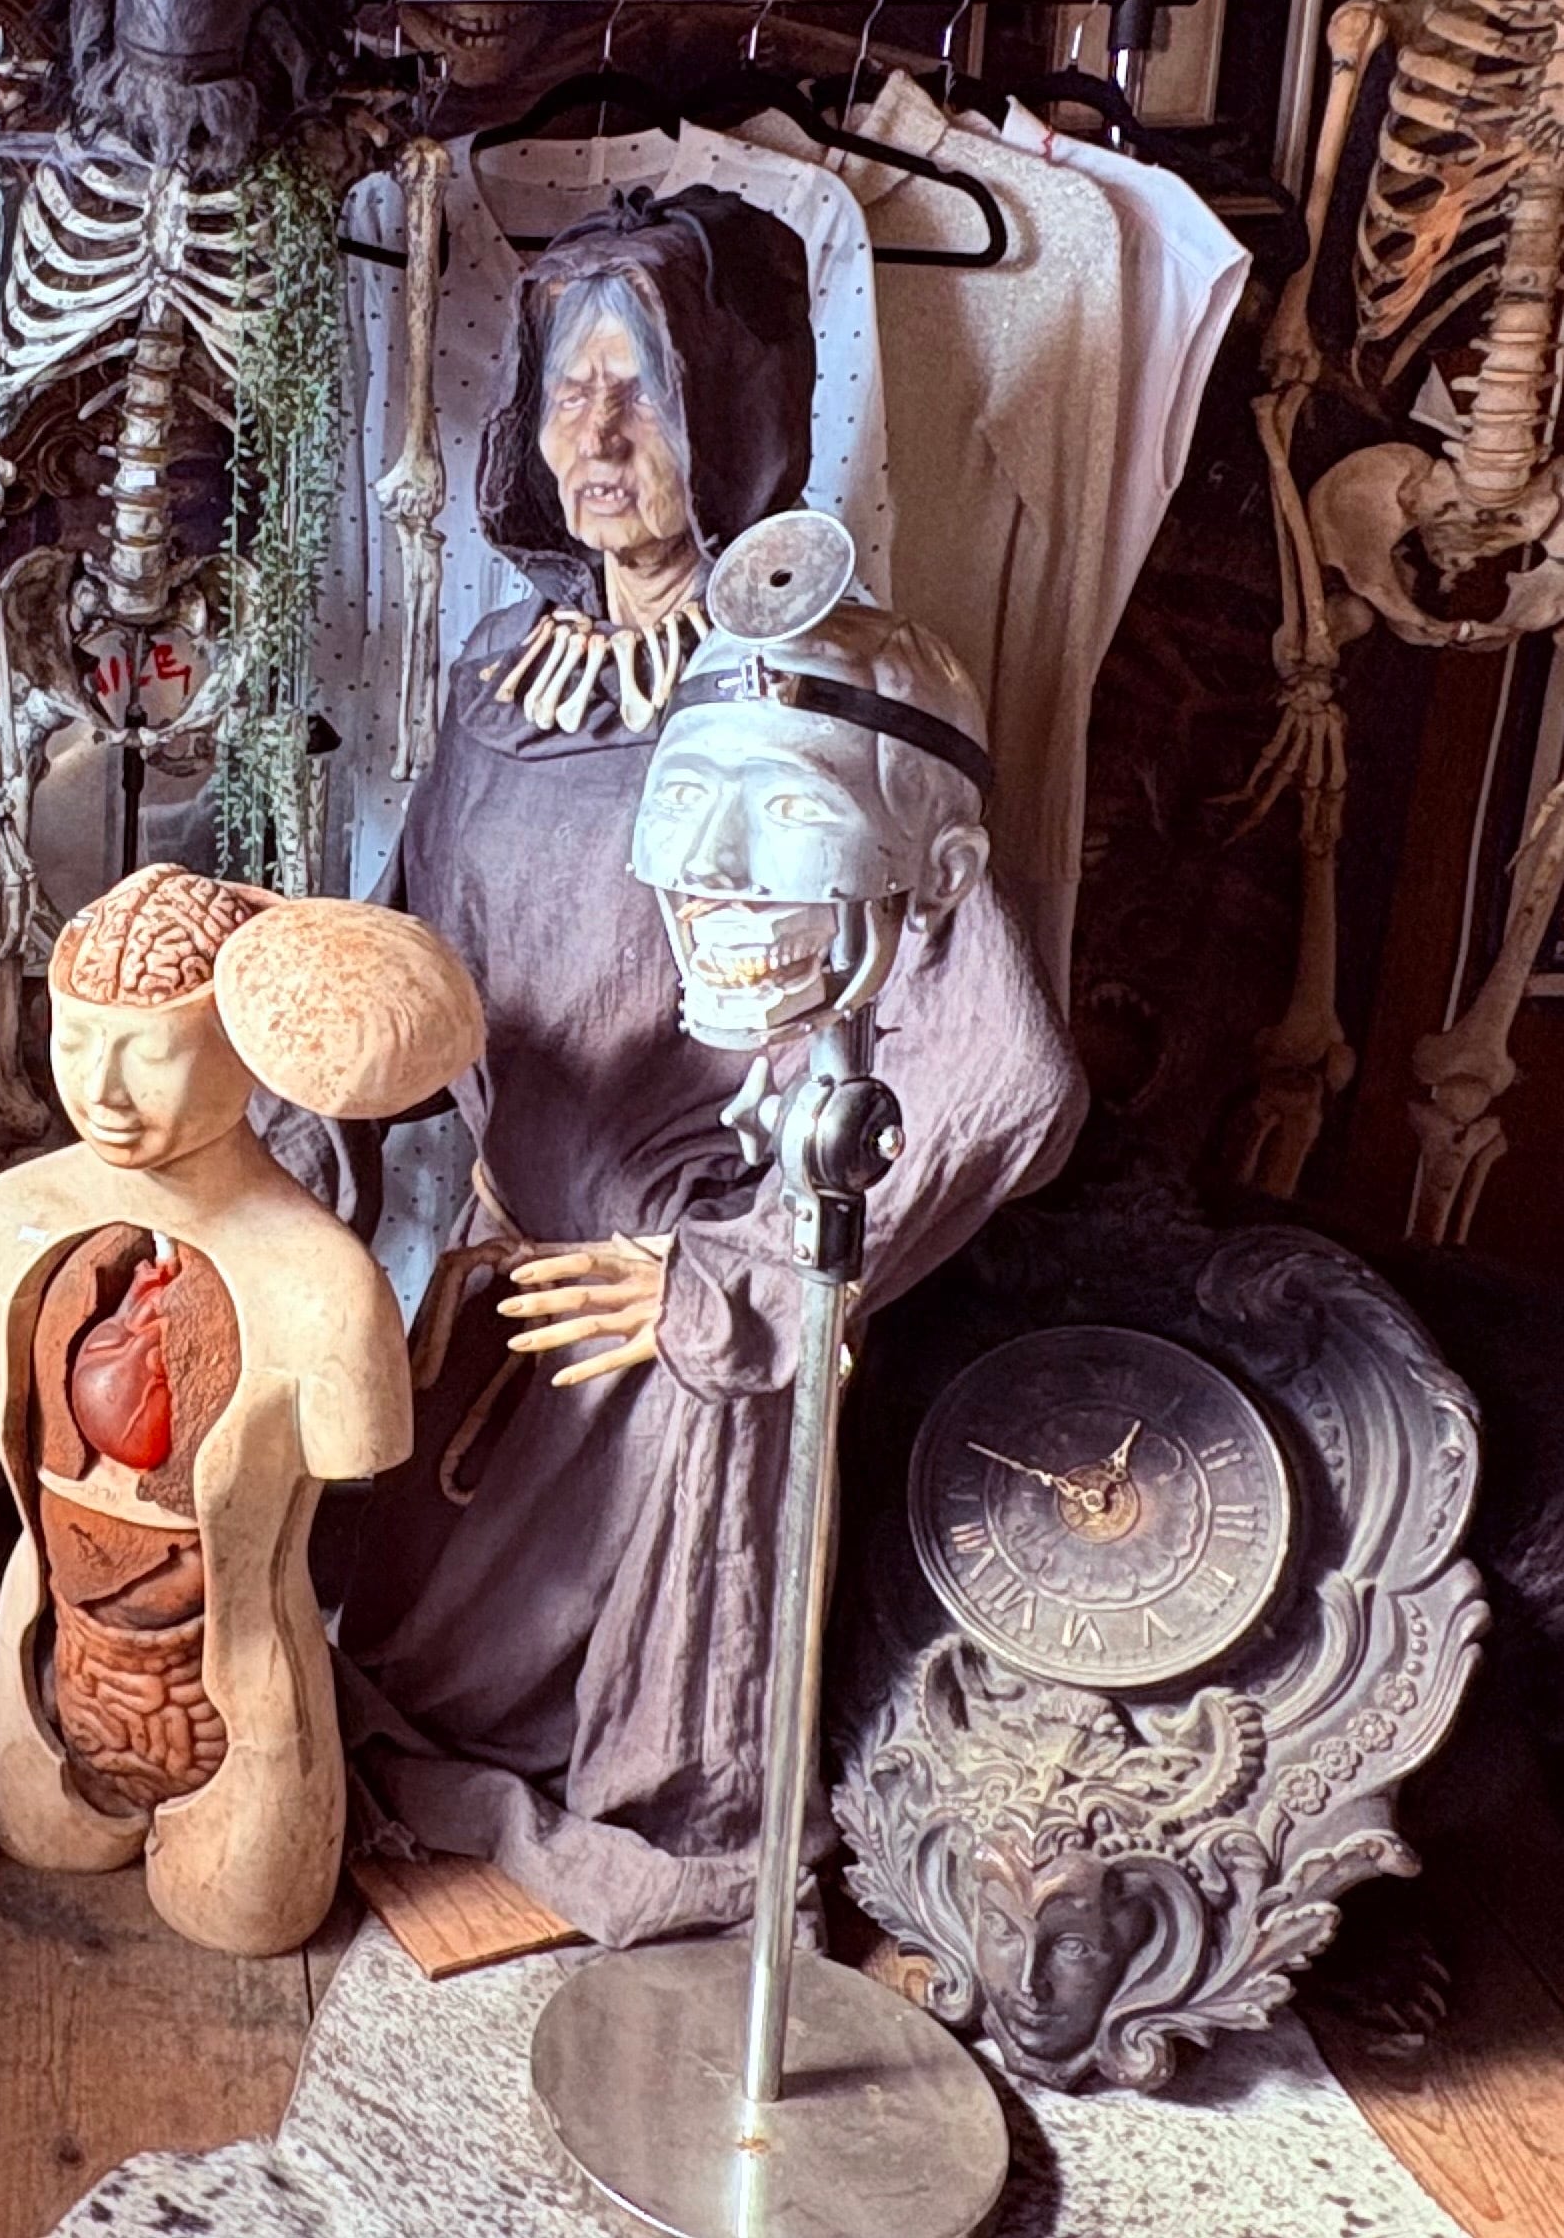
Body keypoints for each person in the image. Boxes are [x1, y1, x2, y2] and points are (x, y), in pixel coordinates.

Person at [329, 204, 1085, 1946]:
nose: (596, 432)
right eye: (566, 387)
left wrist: (730, 1284)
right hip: (514, 1295)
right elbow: (405, 973)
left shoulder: (819, 692)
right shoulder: (496, 686)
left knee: (653, 1749)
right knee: (383, 1658)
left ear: (731, 415)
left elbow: (1007, 1074)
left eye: (645, 389)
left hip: (679, 1328)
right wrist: (279, 1183)